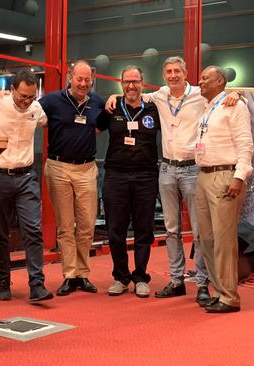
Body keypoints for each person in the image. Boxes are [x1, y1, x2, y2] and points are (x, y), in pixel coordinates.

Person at [106, 56, 240, 303]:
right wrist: (112, 97)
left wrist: (237, 93)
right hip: (166, 170)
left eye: (177, 71)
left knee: (199, 231)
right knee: (171, 230)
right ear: (164, 75)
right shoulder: (158, 96)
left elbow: (222, 94)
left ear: (185, 73)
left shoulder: (201, 94)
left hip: (192, 170)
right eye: (168, 71)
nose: (173, 75)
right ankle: (177, 280)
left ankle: (201, 282)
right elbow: (132, 96)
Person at [0, 70, 53, 303]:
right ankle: (3, 282)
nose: (26, 101)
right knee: (0, 233)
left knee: (33, 229)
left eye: (31, 97)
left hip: (26, 176)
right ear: (12, 89)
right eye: (22, 96)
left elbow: (47, 120)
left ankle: (37, 284)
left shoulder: (35, 108)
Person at [40, 60, 105, 296]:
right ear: (70, 77)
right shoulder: (51, 100)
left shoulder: (96, 101)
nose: (84, 84)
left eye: (88, 80)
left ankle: (83, 274)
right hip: (58, 167)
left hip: (87, 168)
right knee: (66, 226)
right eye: (80, 79)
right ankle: (70, 275)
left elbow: (100, 127)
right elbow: (29, 112)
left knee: (87, 225)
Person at [97, 66, 160, 298]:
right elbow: (90, 130)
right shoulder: (111, 107)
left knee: (144, 230)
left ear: (143, 82)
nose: (131, 86)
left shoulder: (155, 108)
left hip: (146, 176)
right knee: (116, 230)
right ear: (120, 83)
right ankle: (121, 277)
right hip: (115, 176)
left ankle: (141, 277)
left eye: (135, 81)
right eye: (126, 82)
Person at [194, 66, 253, 313]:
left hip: (225, 176)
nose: (200, 81)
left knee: (224, 240)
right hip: (203, 176)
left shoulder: (235, 106)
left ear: (220, 81)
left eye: (205, 78)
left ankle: (230, 297)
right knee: (205, 239)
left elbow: (245, 144)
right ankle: (219, 291)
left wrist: (239, 177)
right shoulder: (207, 108)